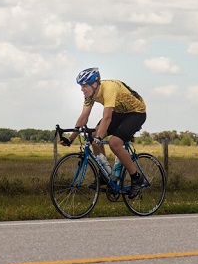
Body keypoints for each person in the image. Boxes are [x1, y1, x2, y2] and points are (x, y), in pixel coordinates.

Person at [59, 67, 147, 199]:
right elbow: (84, 116)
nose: (81, 89)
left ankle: (136, 178)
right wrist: (71, 139)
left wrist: (99, 137)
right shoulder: (90, 95)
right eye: (80, 86)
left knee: (114, 143)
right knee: (93, 136)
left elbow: (107, 118)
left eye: (84, 86)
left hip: (136, 113)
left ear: (95, 84)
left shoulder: (108, 88)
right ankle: (106, 174)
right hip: (119, 112)